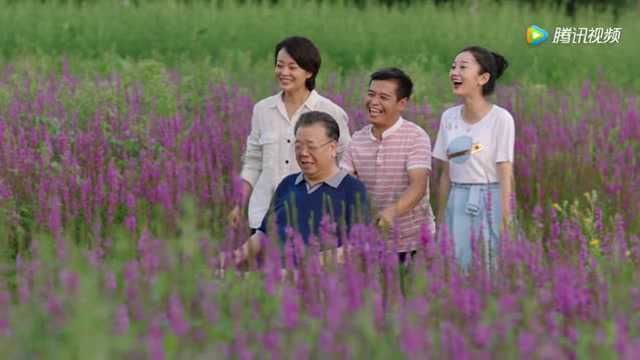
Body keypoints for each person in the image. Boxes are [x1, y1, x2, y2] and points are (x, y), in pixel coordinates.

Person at [230, 36, 351, 233]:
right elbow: (253, 162)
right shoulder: (262, 109)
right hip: (263, 215)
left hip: (311, 216)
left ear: (309, 72)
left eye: (292, 67)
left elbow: (346, 162)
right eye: (279, 66)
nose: (284, 72)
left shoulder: (331, 111)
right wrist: (239, 205)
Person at [226, 111, 368, 266]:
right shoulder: (288, 184)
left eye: (311, 146)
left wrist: (304, 270)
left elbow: (356, 247)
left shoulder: (353, 190)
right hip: (272, 279)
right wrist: (234, 257)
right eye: (298, 146)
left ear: (332, 148)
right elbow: (263, 234)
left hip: (320, 284)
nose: (303, 153)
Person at [340, 68, 435, 264]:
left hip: (414, 242)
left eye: (383, 97)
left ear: (401, 103)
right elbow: (343, 183)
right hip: (371, 242)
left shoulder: (416, 137)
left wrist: (390, 213)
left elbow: (418, 186)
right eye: (371, 94)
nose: (374, 102)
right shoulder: (357, 140)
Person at [432, 46, 515, 271]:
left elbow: (505, 173)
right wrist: (440, 220)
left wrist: (506, 221)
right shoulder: (448, 118)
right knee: (455, 269)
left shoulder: (501, 118)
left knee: (490, 269)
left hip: (490, 200)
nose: (454, 72)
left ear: (483, 78)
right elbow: (445, 175)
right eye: (453, 67)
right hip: (456, 201)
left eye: (463, 67)